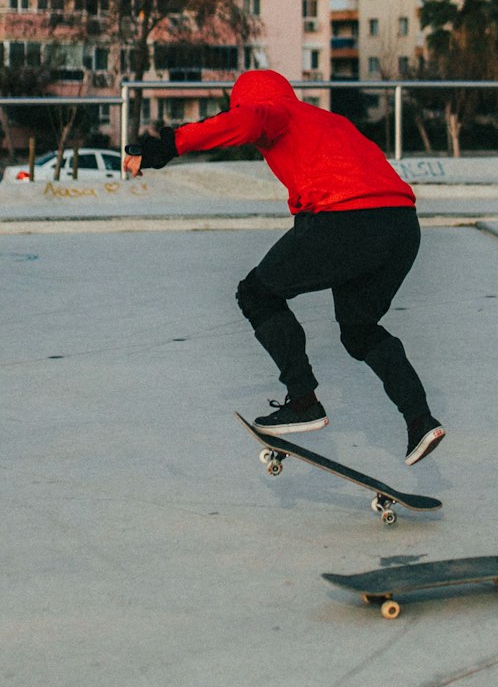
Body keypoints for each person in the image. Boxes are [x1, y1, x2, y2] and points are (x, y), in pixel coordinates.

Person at [124, 69, 445, 465]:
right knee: (359, 330)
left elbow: (248, 120)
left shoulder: (274, 113)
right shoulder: (329, 120)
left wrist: (168, 145)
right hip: (401, 225)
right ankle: (420, 419)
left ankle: (303, 399)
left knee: (256, 293)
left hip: (345, 218)